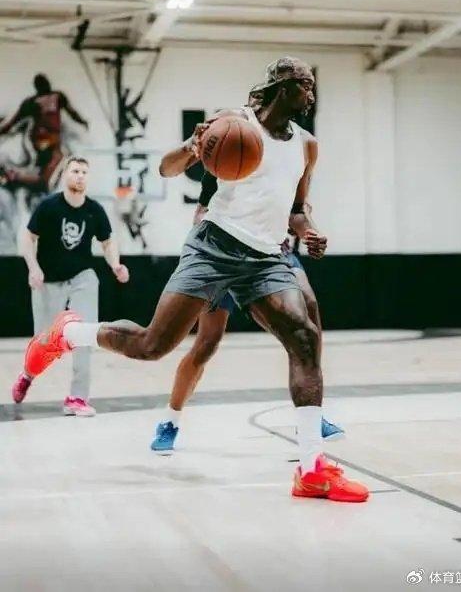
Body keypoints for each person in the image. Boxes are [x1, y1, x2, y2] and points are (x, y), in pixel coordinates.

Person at [21, 57, 369, 502]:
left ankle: (312, 469)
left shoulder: (306, 145)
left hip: (265, 256)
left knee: (304, 335)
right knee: (153, 345)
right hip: (213, 248)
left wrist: (310, 231)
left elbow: (297, 209)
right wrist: (192, 146)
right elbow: (166, 169)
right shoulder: (233, 123)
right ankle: (70, 333)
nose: (312, 93)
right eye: (306, 85)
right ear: (283, 87)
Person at [150, 169, 344, 454]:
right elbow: (201, 213)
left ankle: (311, 417)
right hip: (223, 257)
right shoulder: (228, 161)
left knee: (308, 313)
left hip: (272, 256)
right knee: (206, 344)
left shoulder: (290, 160)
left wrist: (308, 230)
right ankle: (170, 420)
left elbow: (299, 213)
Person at [12, 156, 130, 416]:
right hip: (49, 280)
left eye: (84, 172)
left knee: (85, 335)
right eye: (75, 171)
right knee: (43, 342)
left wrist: (115, 264)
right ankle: (28, 375)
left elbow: (108, 241)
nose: (80, 176)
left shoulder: (94, 210)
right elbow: (28, 238)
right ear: (65, 174)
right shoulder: (48, 206)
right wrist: (33, 268)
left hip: (82, 278)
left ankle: (77, 398)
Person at [0, 73, 88, 191]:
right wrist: (81, 121)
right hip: (45, 137)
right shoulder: (48, 98)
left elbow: (13, 121)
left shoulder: (42, 99)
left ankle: (31, 181)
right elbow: (72, 112)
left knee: (52, 163)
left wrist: (81, 120)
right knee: (56, 159)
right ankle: (23, 179)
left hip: (44, 137)